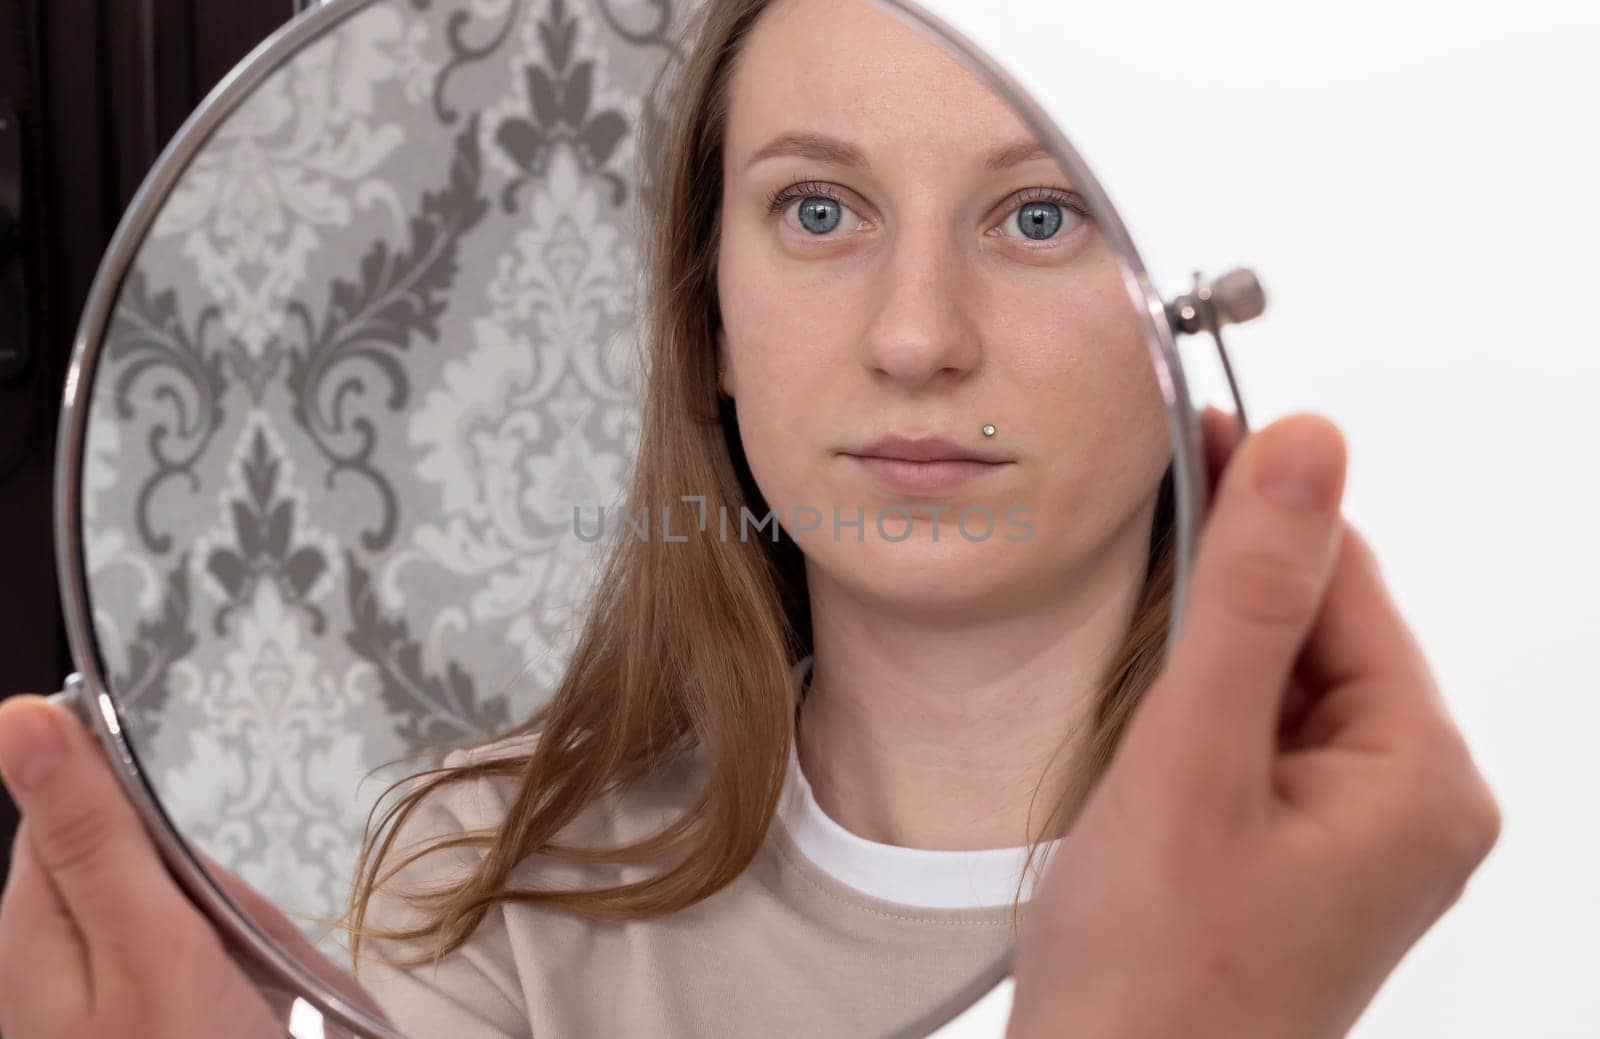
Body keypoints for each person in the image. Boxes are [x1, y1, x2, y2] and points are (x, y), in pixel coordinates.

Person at [0, 0, 1501, 1037]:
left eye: (1039, 217)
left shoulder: (1381, 884)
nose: (917, 340)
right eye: (820, 212)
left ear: (1178, 320)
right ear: (709, 318)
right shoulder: (495, 872)